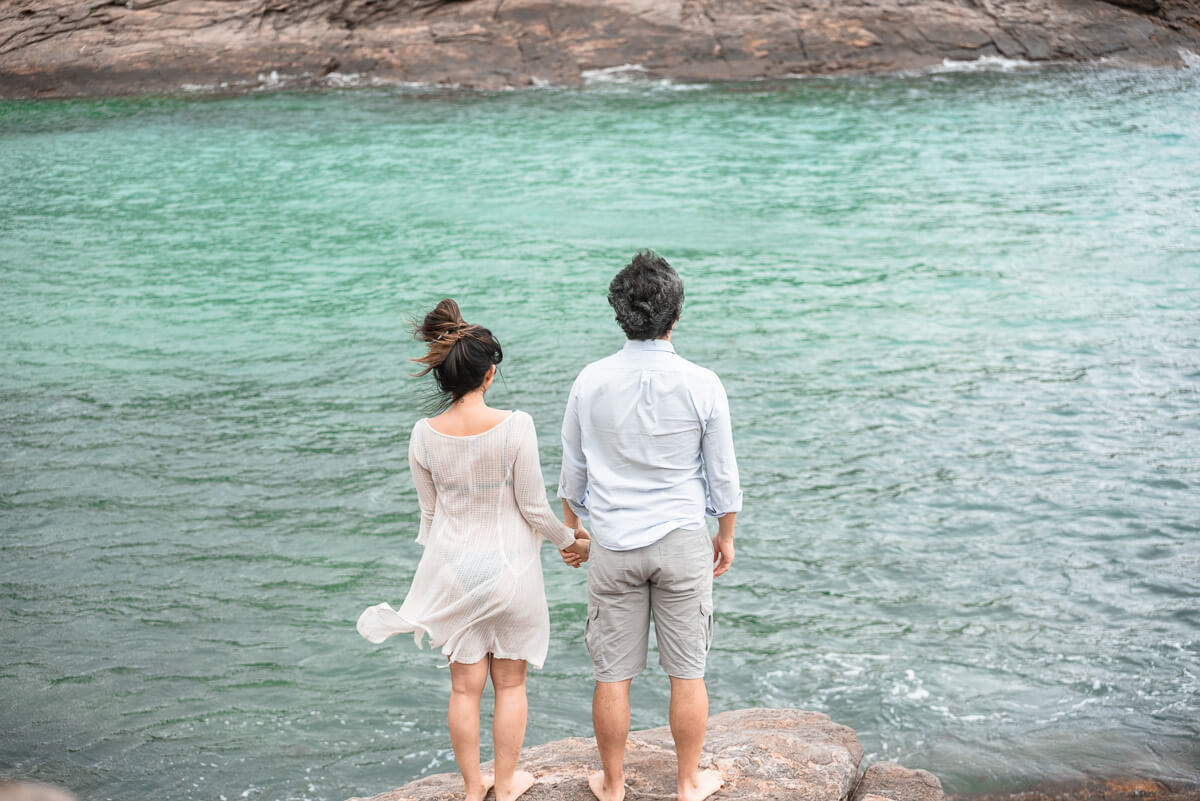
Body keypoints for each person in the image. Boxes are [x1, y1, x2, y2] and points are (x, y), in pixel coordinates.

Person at [357, 298, 590, 801]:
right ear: (489, 374)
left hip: (458, 570)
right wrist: (572, 542)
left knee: (464, 688)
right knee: (510, 685)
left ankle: (471, 788)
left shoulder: (423, 434)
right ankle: (505, 787)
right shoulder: (516, 425)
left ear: (444, 378)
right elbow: (533, 507)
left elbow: (429, 521)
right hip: (512, 572)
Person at [559, 252, 742, 801]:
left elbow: (572, 470)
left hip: (613, 542)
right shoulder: (702, 383)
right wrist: (726, 535)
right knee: (687, 671)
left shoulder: (590, 381)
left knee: (612, 675)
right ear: (676, 312)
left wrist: (574, 530)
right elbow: (723, 475)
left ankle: (613, 784)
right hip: (682, 539)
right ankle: (687, 783)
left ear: (620, 313)